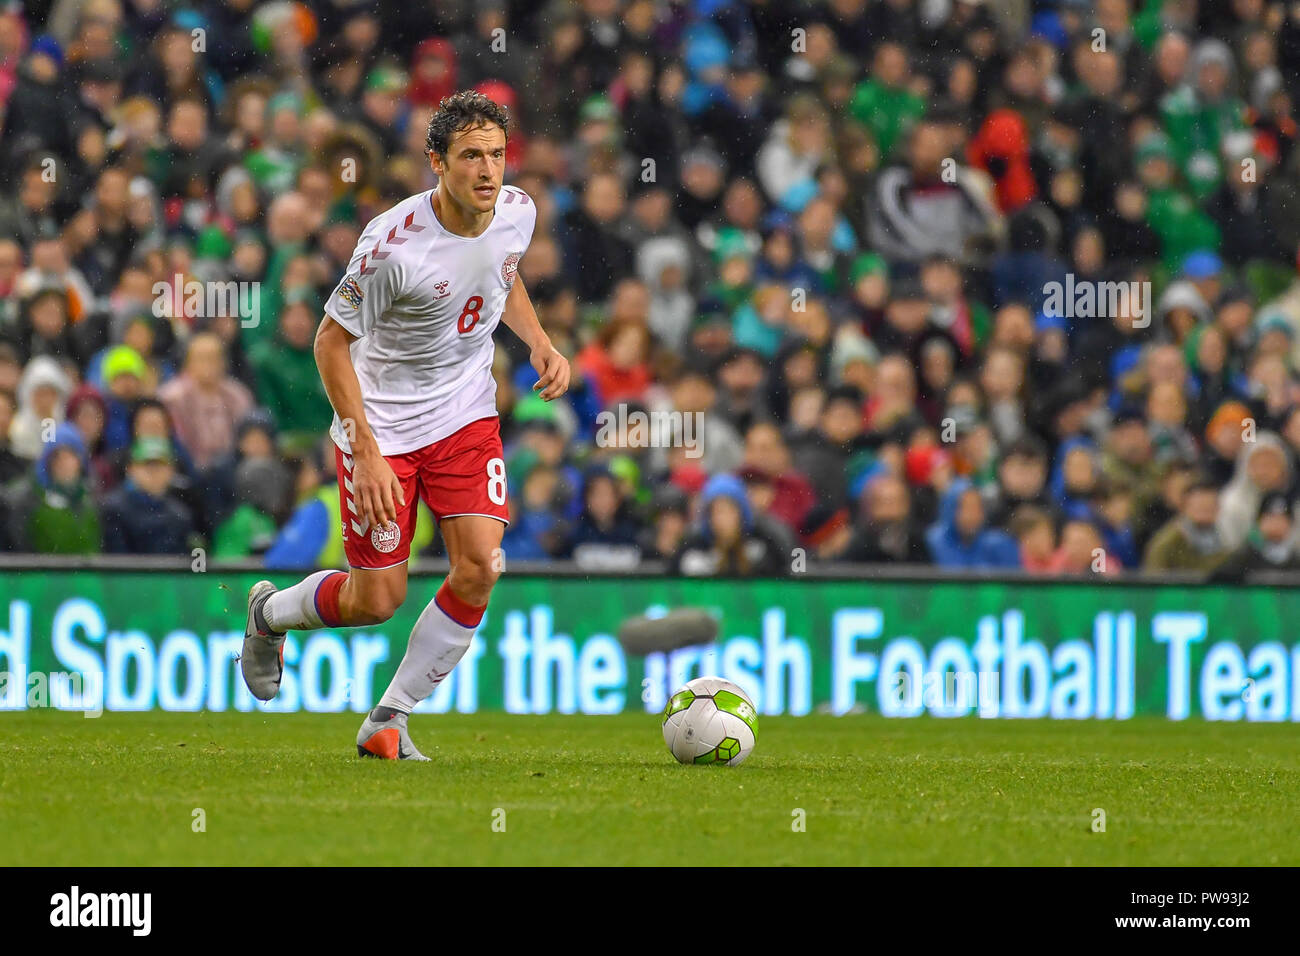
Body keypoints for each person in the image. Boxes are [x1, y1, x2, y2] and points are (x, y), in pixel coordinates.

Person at [240, 92, 570, 760]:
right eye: (471, 156)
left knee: (480, 565)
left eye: (497, 155)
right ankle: (268, 614)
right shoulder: (393, 248)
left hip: (465, 415)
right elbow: (329, 343)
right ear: (436, 163)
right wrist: (362, 450)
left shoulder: (516, 212)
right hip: (382, 428)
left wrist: (537, 340)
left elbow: (501, 277)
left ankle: (389, 718)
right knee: (376, 599)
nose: (488, 171)